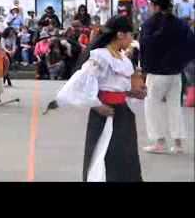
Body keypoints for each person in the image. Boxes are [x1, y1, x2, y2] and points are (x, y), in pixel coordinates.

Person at [56, 15, 146, 182]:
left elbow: (121, 87)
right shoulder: (99, 57)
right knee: (104, 154)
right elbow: (80, 83)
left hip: (123, 113)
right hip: (105, 112)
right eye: (130, 35)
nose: (132, 39)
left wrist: (134, 93)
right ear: (120, 34)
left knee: (126, 154)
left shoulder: (125, 60)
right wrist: (97, 105)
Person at [140, 0, 195, 154]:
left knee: (151, 105)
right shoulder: (181, 24)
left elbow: (145, 47)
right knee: (174, 106)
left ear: (156, 6)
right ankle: (178, 143)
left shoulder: (150, 24)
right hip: (176, 73)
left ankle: (159, 141)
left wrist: (144, 69)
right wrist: (181, 63)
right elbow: (192, 46)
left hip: (156, 73)